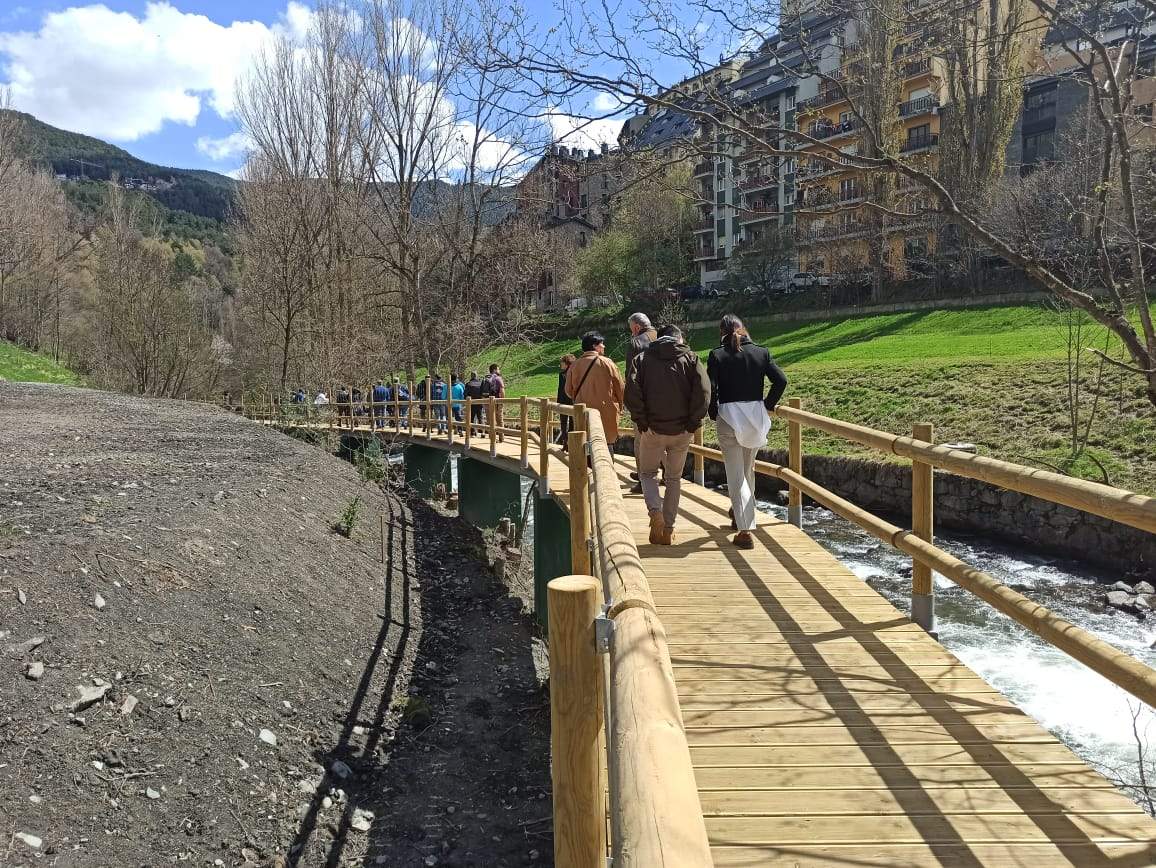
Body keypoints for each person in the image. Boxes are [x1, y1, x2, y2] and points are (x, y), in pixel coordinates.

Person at [707, 314, 788, 550]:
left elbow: (711, 388)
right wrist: (767, 405)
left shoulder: (717, 355)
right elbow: (781, 380)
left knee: (735, 475)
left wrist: (713, 412)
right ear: (744, 328)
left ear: (721, 332)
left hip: (729, 419)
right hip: (754, 419)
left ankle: (745, 530)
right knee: (747, 472)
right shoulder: (761, 353)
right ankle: (740, 514)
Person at [625, 325, 710, 546]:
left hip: (653, 429)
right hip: (682, 431)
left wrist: (643, 422)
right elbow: (704, 392)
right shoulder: (691, 358)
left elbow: (631, 392)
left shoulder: (642, 359)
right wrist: (692, 423)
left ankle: (655, 513)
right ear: (678, 337)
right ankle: (669, 529)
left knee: (647, 474)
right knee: (673, 478)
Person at [566, 331, 625, 444]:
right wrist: (620, 406)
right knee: (606, 446)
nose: (604, 346)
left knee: (585, 446)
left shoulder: (574, 365)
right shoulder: (607, 363)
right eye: (602, 343)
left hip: (583, 413)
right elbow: (620, 388)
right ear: (595, 346)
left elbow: (568, 391)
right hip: (606, 412)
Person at [557, 354, 576, 448]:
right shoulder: (561, 374)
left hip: (569, 401)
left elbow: (561, 390)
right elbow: (560, 389)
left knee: (566, 423)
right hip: (567, 401)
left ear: (567, 363)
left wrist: (558, 402)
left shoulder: (573, 373)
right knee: (568, 423)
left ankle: (568, 444)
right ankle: (567, 444)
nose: (560, 364)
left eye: (562, 362)